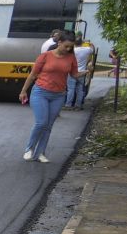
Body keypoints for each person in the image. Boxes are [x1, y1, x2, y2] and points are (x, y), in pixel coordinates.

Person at [19, 33, 79, 163]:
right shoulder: (45, 56)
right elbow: (33, 74)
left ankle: (40, 153)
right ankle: (29, 149)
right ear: (59, 42)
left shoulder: (71, 58)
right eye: (66, 46)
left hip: (59, 95)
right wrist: (23, 91)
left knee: (48, 126)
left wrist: (87, 71)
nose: (68, 49)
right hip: (40, 92)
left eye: (70, 47)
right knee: (41, 122)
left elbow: (74, 75)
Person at [69, 38, 95, 108]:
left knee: (71, 89)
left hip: (72, 72)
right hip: (82, 72)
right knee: (80, 89)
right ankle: (78, 105)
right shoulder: (87, 50)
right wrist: (89, 43)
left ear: (74, 43)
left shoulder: (73, 50)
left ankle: (68, 104)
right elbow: (93, 49)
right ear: (82, 43)